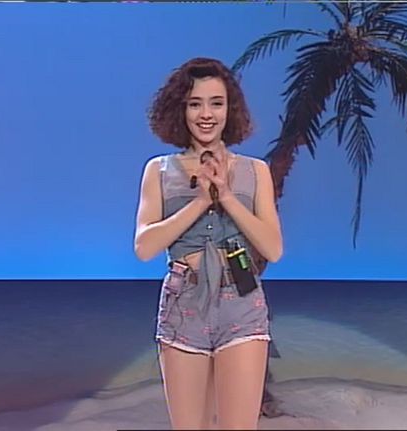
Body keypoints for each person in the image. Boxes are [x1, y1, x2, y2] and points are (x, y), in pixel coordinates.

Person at [134, 57, 283, 430]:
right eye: (194, 103)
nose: (206, 114)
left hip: (242, 302)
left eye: (216, 103)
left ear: (229, 109)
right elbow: (144, 247)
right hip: (183, 303)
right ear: (180, 109)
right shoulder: (159, 170)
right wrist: (200, 202)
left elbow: (273, 249)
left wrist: (227, 197)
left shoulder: (255, 171)